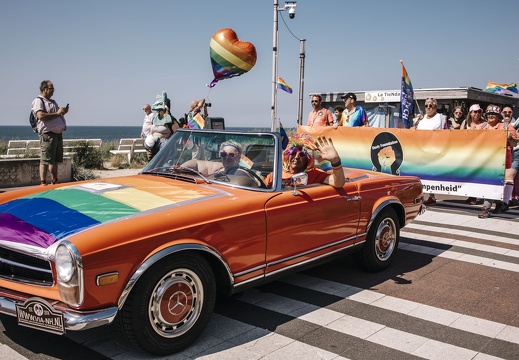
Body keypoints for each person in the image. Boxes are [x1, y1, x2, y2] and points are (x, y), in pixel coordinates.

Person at [478, 105, 518, 218]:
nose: (491, 116)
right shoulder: (482, 126)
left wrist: (510, 138)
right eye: (489, 114)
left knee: (491, 183)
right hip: (485, 160)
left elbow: (515, 144)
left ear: (498, 116)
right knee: (492, 183)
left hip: (501, 161)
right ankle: (500, 204)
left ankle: (486, 208)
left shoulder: (506, 126)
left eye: (494, 114)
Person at [264, 134, 345, 188]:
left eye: (302, 155)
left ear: (308, 159)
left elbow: (338, 183)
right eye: (293, 153)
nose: (296, 157)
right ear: (287, 155)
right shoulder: (275, 175)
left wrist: (335, 161)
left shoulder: (313, 174)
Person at [31, 80, 68, 186]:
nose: (53, 91)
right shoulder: (39, 101)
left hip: (57, 133)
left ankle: (54, 179)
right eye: (51, 89)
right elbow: (40, 116)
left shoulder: (52, 101)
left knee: (55, 160)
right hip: (48, 134)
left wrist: (62, 112)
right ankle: (43, 181)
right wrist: (57, 113)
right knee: (45, 159)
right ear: (44, 89)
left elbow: (56, 115)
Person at [412, 97, 444, 205]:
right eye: (426, 105)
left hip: (432, 149)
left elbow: (434, 131)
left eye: (431, 105)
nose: (428, 108)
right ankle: (421, 195)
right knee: (421, 173)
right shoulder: (422, 118)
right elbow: (414, 130)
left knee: (431, 173)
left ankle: (432, 196)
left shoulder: (439, 117)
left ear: (435, 107)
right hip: (420, 149)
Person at [502, 105, 519, 206]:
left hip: (516, 153)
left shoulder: (516, 124)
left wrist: (511, 138)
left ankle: (505, 202)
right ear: (502, 113)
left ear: (512, 113)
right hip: (502, 153)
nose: (507, 113)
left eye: (509, 112)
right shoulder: (500, 124)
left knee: (509, 177)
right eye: (505, 112)